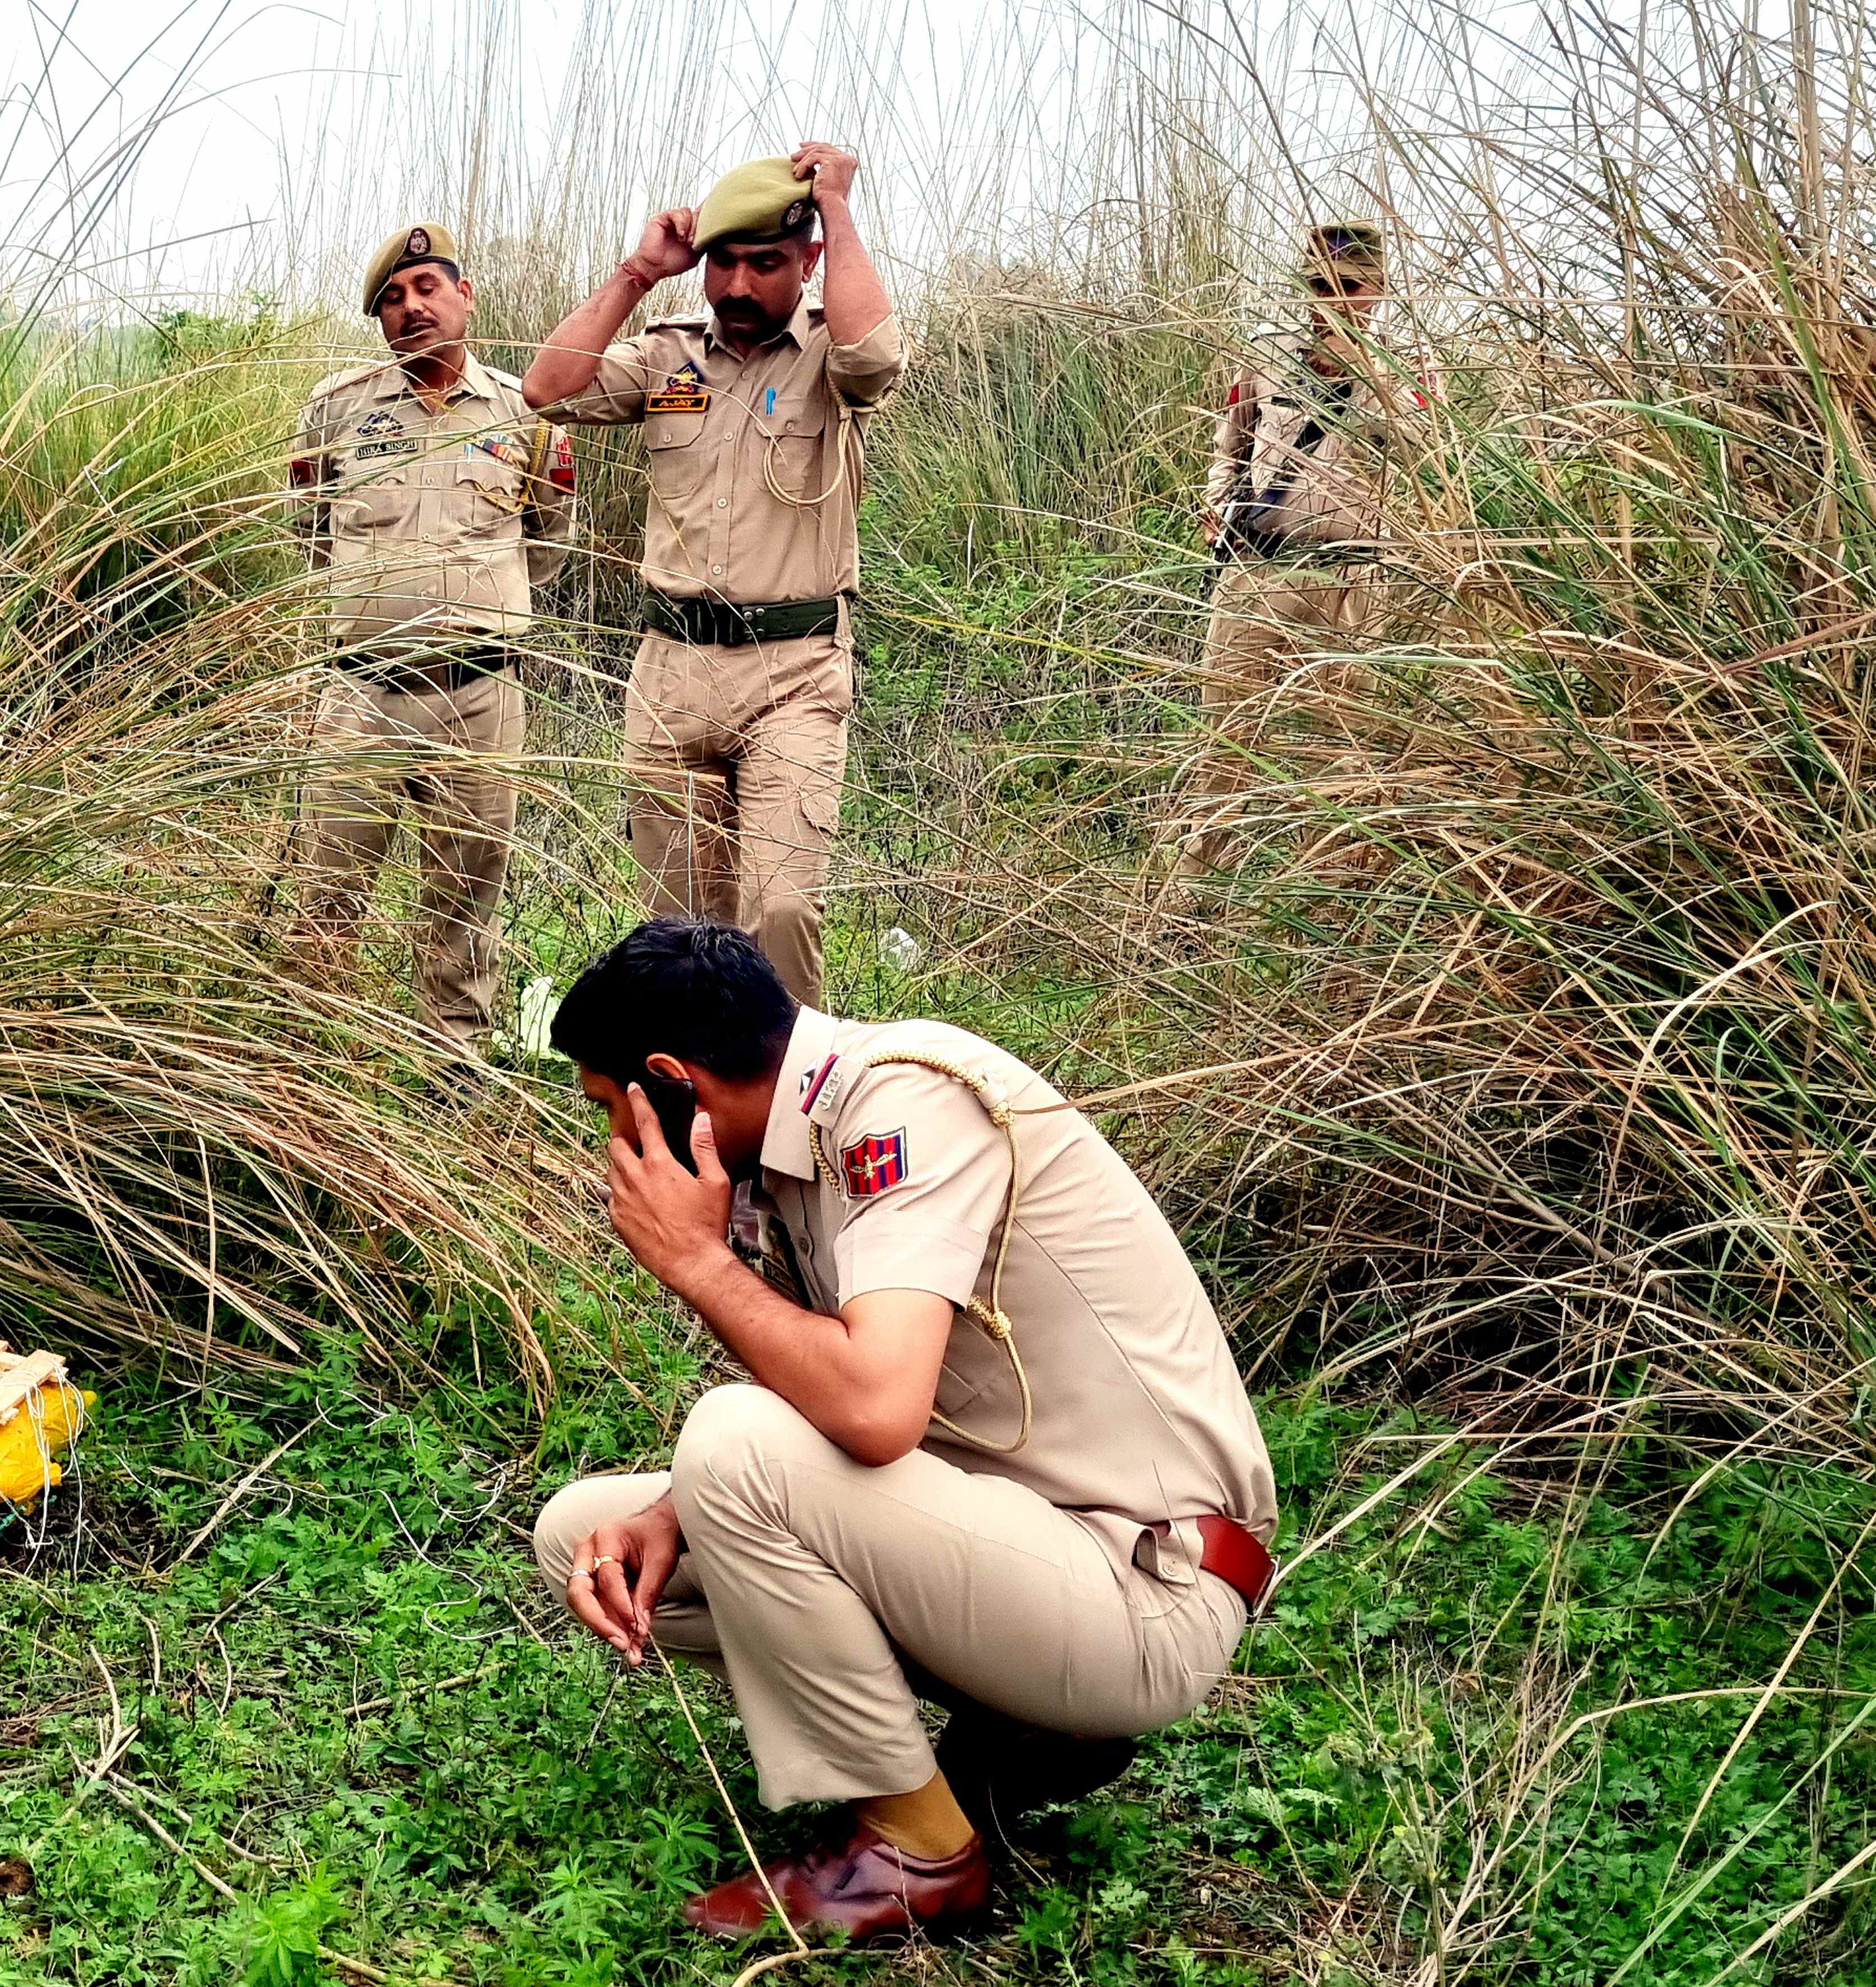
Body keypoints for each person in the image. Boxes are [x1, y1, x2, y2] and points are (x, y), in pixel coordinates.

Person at [532, 919, 1277, 1941]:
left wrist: (699, 1264)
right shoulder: (804, 1143)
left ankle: (921, 1853)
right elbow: (865, 1398)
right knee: (591, 1534)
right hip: (1031, 1542)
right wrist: (677, 1504)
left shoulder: (905, 1101)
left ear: (673, 1080)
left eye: (613, 1109)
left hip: (1146, 1592)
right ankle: (1019, 1733)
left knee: (734, 1438)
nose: (614, 1143)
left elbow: (877, 1411)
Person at [524, 148, 901, 1009]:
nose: (738, 284)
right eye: (723, 263)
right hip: (673, 674)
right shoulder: (668, 359)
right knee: (682, 931)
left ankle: (794, 1112)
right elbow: (547, 388)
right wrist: (639, 272)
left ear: (805, 263)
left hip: (796, 673)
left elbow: (877, 357)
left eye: (765, 264)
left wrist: (837, 208)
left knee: (782, 909)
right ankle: (693, 1110)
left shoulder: (830, 356)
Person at [288, 222, 578, 1047]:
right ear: (379, 320)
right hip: (360, 695)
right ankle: (305, 1075)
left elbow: (546, 542)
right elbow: (309, 531)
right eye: (391, 300)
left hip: (477, 698)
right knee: (327, 893)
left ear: (465, 296)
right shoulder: (335, 409)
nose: (411, 309)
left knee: (464, 894)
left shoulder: (530, 413)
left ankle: (454, 1064)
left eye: (427, 290)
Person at [1176, 220, 1415, 878]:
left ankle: (1333, 902)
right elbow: (1230, 447)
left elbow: (1424, 452)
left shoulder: (1410, 368)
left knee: (1347, 751)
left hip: (1353, 583)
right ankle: (1193, 905)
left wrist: (1371, 372)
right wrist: (1218, 505)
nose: (1331, 301)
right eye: (1318, 285)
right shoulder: (1266, 353)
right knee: (1226, 743)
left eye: (1350, 286)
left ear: (1380, 290)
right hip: (1260, 571)